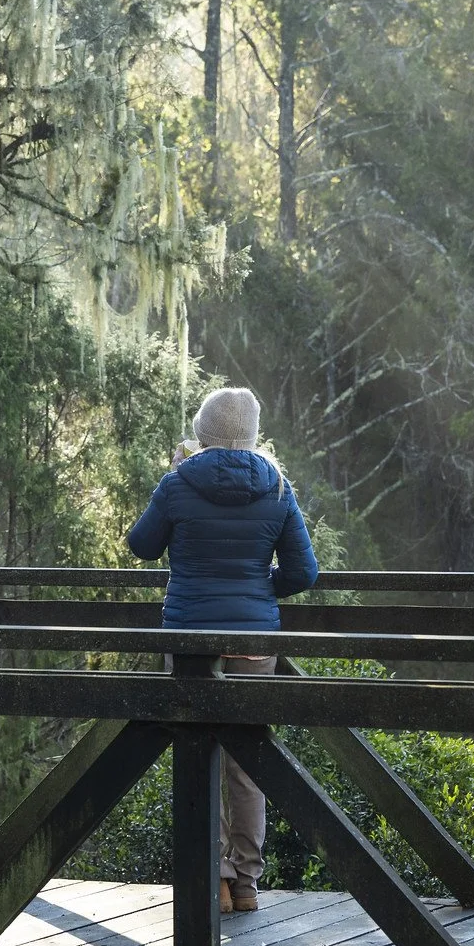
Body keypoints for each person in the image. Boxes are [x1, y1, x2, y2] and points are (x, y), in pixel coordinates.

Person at [127, 386, 319, 914]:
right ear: (253, 436)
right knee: (247, 761)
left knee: (197, 756)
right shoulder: (278, 487)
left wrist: (170, 477)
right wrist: (258, 590)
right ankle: (247, 883)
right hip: (254, 643)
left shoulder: (178, 482)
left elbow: (142, 546)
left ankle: (212, 878)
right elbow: (304, 573)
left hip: (190, 641)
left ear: (202, 434)